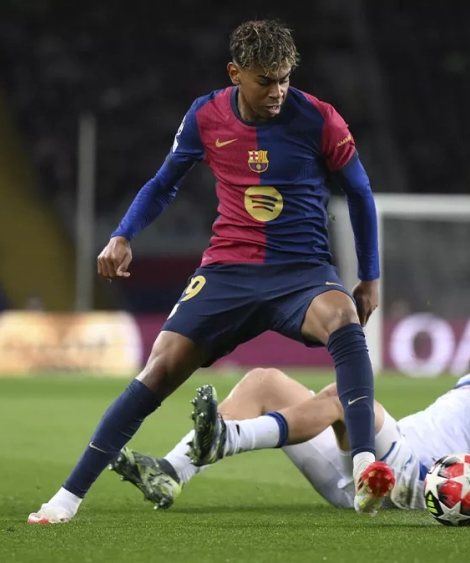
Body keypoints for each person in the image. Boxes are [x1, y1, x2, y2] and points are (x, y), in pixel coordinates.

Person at [29, 20, 391, 524]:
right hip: (228, 270)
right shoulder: (206, 116)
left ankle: (366, 467)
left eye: (285, 78)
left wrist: (369, 276)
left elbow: (360, 193)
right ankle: (66, 498)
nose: (278, 91)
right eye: (266, 80)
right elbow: (162, 184)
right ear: (235, 73)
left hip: (302, 272)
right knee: (160, 367)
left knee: (343, 318)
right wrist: (122, 234)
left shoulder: (319, 119)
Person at [111, 291, 470, 514]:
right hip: (369, 475)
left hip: (414, 480)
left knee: (350, 398)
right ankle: (172, 473)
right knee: (263, 382)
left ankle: (227, 438)